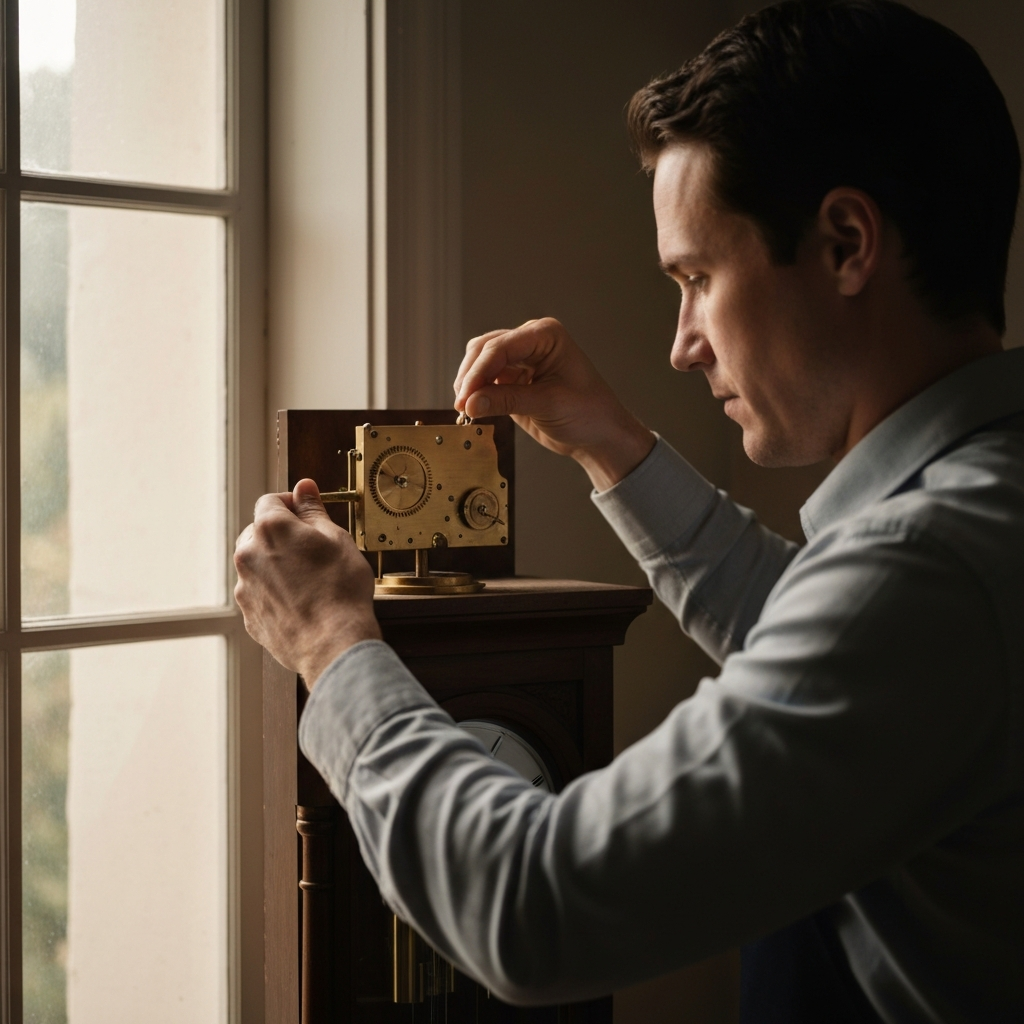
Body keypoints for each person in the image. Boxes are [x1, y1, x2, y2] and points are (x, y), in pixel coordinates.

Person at [234, 1, 1024, 1021]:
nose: (682, 344)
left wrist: (335, 648)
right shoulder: (980, 517)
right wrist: (614, 445)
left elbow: (537, 906)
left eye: (696, 277)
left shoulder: (927, 566)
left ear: (842, 243)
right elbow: (824, 638)